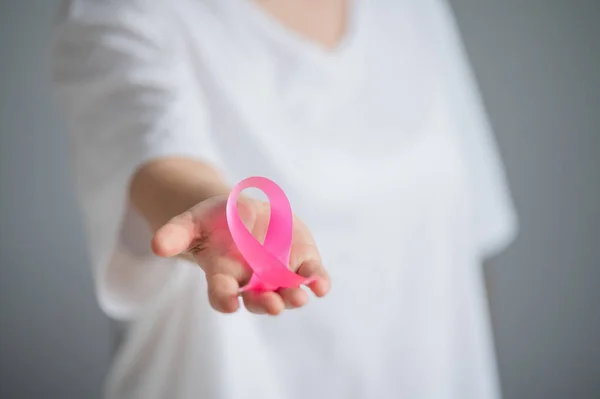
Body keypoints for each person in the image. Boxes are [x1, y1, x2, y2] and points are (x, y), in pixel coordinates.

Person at [51, 0, 518, 398]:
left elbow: (464, 249)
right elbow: (159, 152)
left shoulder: (412, 10)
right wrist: (218, 210)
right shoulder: (126, 9)